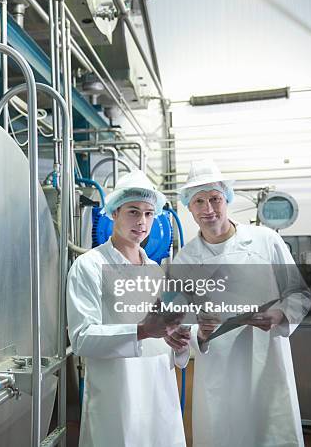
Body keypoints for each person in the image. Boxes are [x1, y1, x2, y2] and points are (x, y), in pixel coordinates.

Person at [173, 159, 310, 447]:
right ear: (189, 207)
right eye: (199, 201)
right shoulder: (184, 261)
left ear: (227, 199)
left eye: (214, 199)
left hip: (267, 363)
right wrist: (200, 334)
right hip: (220, 372)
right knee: (225, 435)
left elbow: (299, 293)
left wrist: (279, 315)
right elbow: (181, 323)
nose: (208, 209)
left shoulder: (264, 240)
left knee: (271, 433)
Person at [67, 170, 191, 447]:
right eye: (133, 212)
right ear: (114, 213)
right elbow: (81, 339)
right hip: (117, 399)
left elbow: (166, 341)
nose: (142, 222)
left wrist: (179, 343)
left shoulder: (155, 272)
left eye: (148, 213)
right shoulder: (89, 266)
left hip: (160, 394)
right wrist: (142, 331)